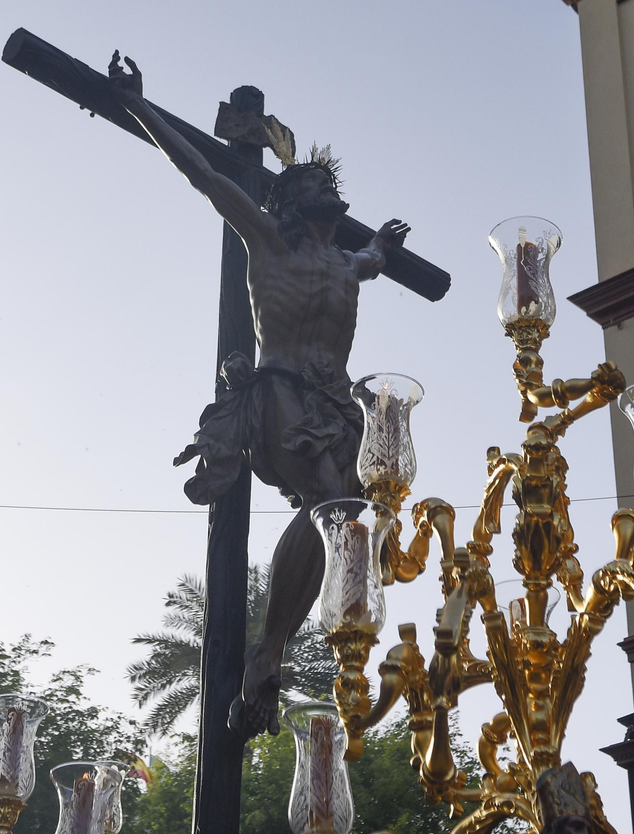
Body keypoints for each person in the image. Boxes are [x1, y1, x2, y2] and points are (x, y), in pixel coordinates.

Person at [108, 52, 412, 738]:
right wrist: (137, 105)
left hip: (337, 408)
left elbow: (373, 259)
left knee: (343, 512)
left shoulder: (349, 263)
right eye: (312, 181)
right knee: (329, 502)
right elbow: (206, 174)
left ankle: (271, 650)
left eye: (329, 181)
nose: (330, 189)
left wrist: (387, 249)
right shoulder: (269, 239)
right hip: (278, 390)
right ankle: (266, 651)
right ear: (290, 199)